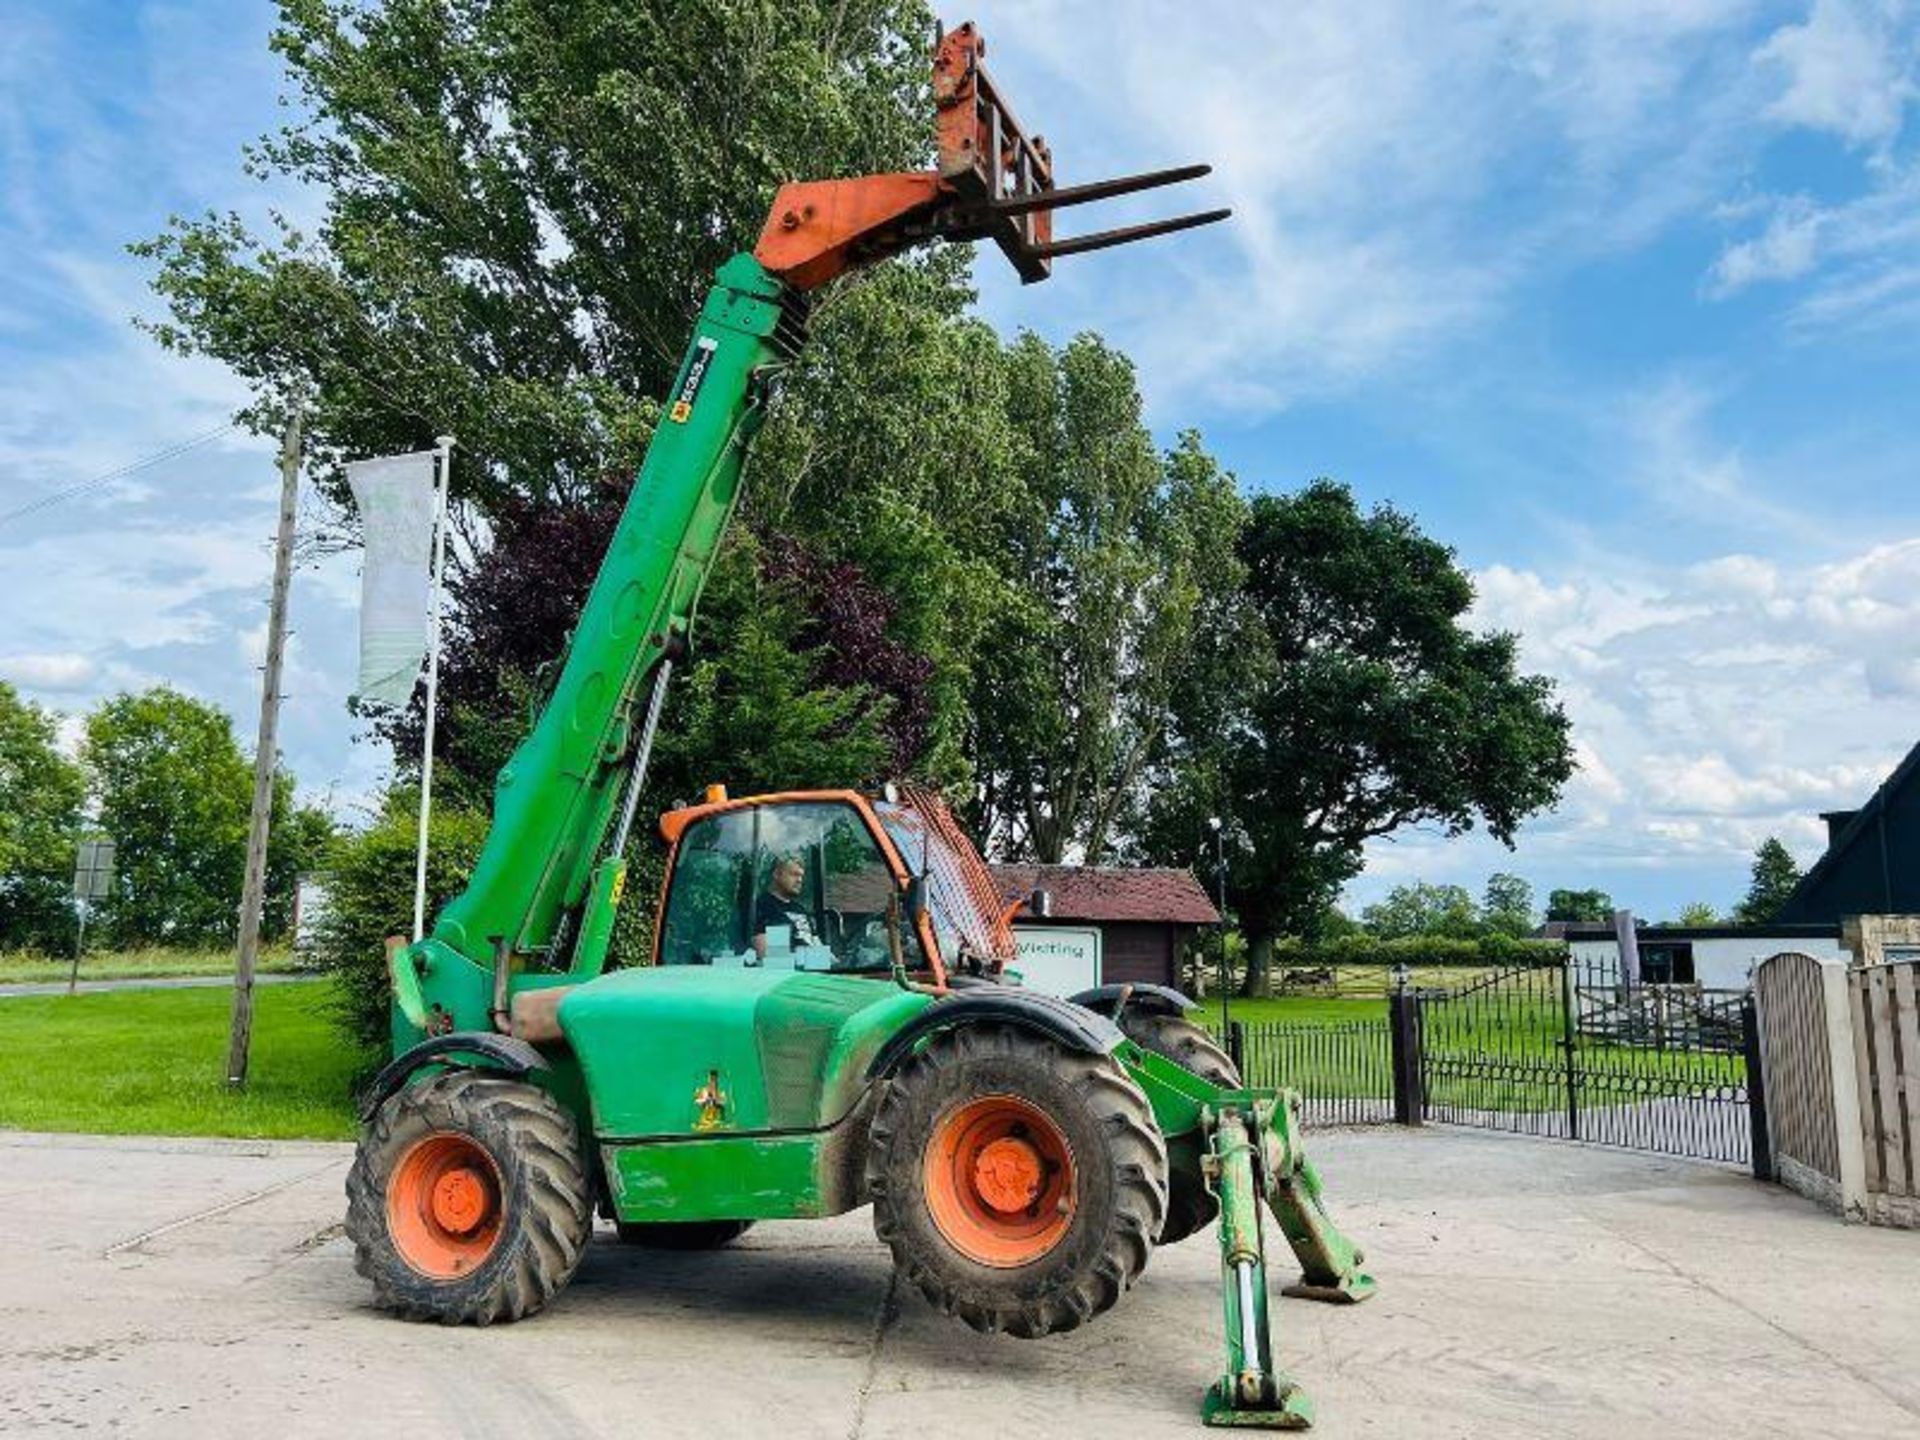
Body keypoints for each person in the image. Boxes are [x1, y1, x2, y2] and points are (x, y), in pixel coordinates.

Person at [753, 854, 819, 958]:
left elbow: (817, 944)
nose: (800, 880)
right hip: (789, 972)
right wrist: (815, 958)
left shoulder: (800, 909)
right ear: (776, 874)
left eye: (801, 876)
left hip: (815, 967)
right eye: (794, 874)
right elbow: (770, 956)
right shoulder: (763, 906)